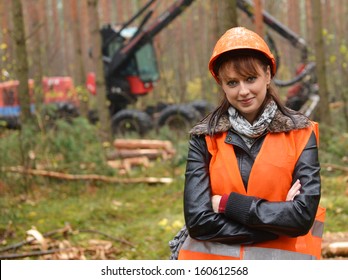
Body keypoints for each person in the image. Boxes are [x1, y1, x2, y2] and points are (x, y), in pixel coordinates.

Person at [174, 27, 325, 260]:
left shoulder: (301, 133)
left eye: (250, 78)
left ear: (267, 74)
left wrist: (226, 204)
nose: (243, 91)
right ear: (221, 84)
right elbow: (198, 221)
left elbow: (301, 218)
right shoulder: (204, 137)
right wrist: (277, 223)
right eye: (232, 83)